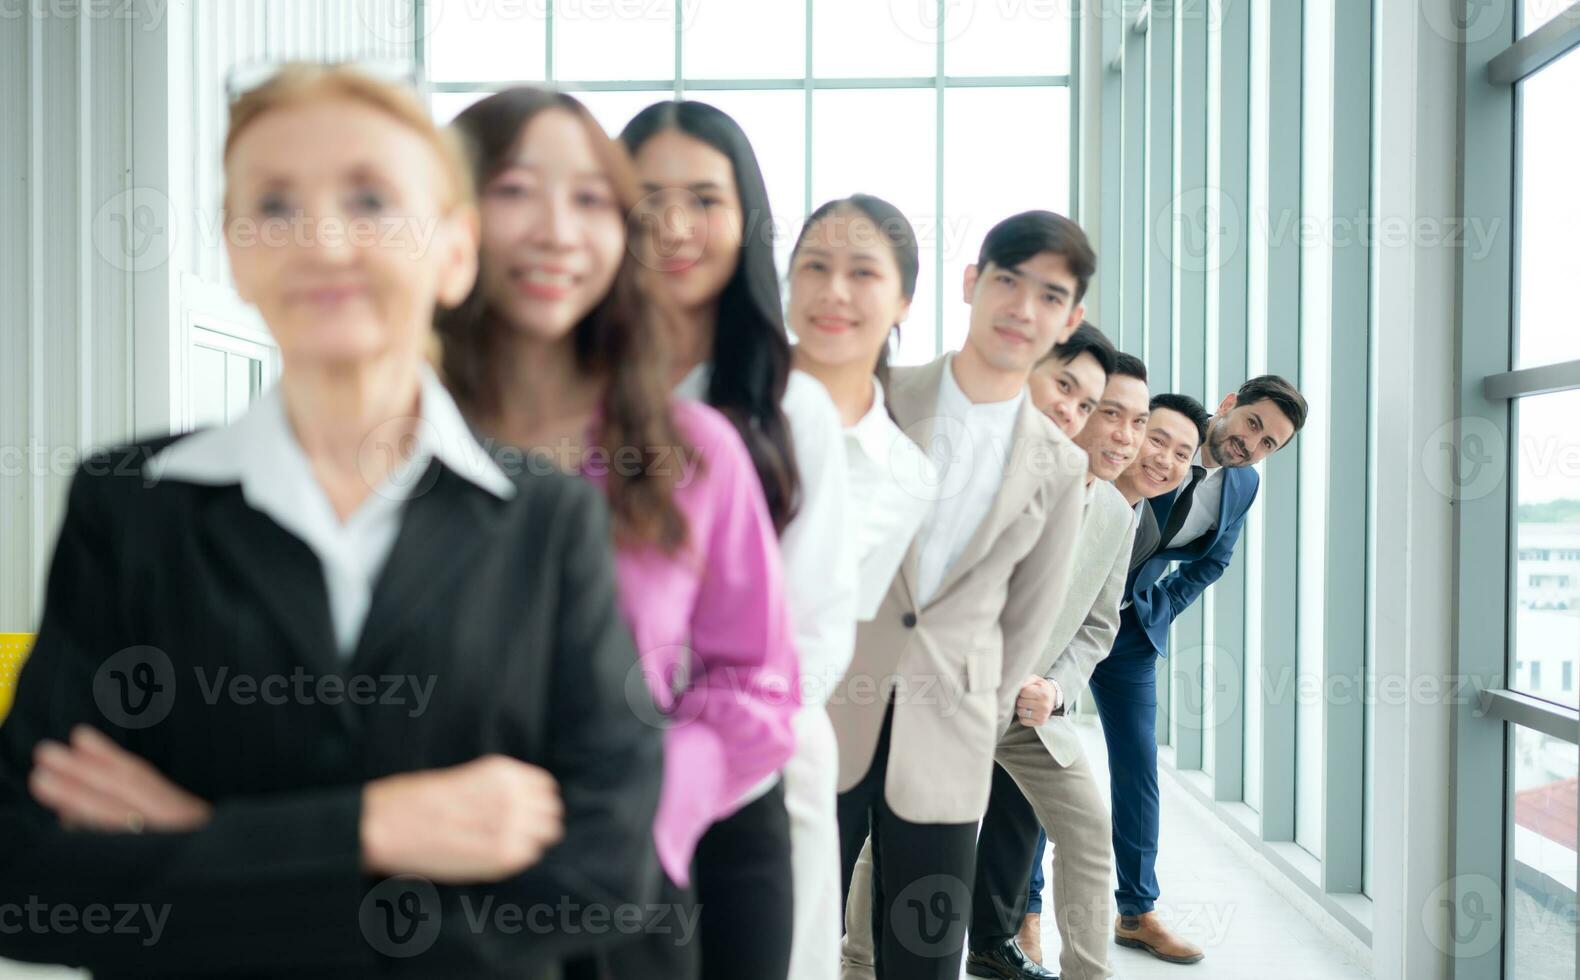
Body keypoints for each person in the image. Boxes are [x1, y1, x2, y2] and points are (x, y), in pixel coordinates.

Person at [0, 64, 661, 978]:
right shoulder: (129, 505)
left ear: (456, 252)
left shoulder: (547, 524)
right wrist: (377, 826)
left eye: (370, 198)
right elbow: (29, 877)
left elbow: (605, 877)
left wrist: (209, 841)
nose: (321, 239)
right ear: (233, 252)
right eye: (273, 205)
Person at [436, 87, 802, 977]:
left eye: (591, 199)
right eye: (517, 189)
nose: (559, 230)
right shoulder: (387, 436)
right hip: (411, 887)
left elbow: (756, 677)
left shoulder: (693, 451)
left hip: (617, 897)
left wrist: (655, 806)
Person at [623, 99, 858, 980]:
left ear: (746, 220)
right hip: (590, 773)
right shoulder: (569, 393)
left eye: (704, 199)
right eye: (647, 198)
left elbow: (817, 618)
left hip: (750, 775)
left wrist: (705, 751)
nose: (675, 226)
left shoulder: (790, 405)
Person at [828, 210, 1091, 980]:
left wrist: (978, 706)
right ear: (973, 284)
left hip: (949, 738)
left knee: (925, 958)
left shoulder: (1060, 467)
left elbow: (1028, 622)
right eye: (1008, 281)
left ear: (1069, 319)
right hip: (828, 708)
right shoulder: (877, 395)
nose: (1023, 308)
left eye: (1050, 295)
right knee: (789, 938)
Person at [1090, 376, 1308, 965]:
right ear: (1230, 404)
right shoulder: (1155, 441)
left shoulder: (1243, 486)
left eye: (1269, 444)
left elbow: (1214, 561)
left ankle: (1137, 913)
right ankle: (1024, 913)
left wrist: (1158, 606)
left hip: (1129, 630)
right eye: (1254, 424)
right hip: (1067, 609)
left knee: (1138, 766)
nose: (1252, 444)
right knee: (1040, 757)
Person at [787, 194, 937, 623]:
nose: (834, 291)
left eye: (862, 272)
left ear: (903, 303)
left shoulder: (908, 476)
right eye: (815, 266)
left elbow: (832, 627)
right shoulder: (712, 389)